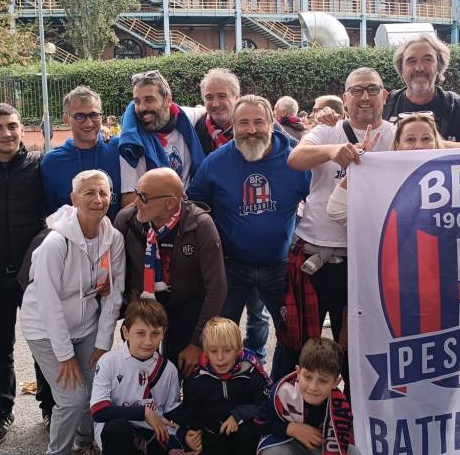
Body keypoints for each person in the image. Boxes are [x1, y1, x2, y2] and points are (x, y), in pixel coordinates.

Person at [283, 68, 396, 380]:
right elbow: (296, 158)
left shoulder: (395, 133)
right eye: (357, 90)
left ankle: (351, 408)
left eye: (372, 89)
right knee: (300, 344)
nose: (364, 97)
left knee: (356, 348)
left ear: (384, 95)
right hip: (314, 250)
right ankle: (295, 404)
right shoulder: (327, 130)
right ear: (345, 98)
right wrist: (333, 151)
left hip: (366, 256)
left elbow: (431, 149)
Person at [21, 169, 125, 455]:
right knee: (71, 397)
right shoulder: (56, 242)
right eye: (89, 193)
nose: (98, 200)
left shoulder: (113, 238)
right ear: (74, 199)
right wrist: (64, 354)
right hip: (45, 329)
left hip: (86, 327)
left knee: (95, 389)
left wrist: (102, 343)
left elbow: (114, 295)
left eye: (104, 193)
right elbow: (47, 302)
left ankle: (82, 445)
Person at [189, 95, 311, 364]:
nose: (251, 129)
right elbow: (195, 208)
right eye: (243, 123)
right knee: (220, 337)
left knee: (292, 336)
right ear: (233, 126)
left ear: (272, 124)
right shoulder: (215, 162)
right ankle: (227, 387)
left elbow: (318, 202)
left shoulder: (295, 161)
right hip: (231, 266)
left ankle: (276, 384)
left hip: (279, 266)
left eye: (258, 122)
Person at [0, 102, 54, 443]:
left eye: (12, 126)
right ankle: (2, 410)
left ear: (22, 128)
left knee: (43, 343)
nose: (6, 133)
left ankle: (50, 408)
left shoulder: (39, 165)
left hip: (32, 274)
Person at [90, 298, 201, 455]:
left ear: (163, 334)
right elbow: (98, 410)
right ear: (125, 332)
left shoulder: (167, 369)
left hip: (151, 433)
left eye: (155, 334)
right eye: (140, 333)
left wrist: (190, 432)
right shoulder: (109, 362)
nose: (148, 341)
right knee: (119, 429)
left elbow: (171, 408)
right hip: (116, 434)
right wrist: (142, 412)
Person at [192, 71, 281, 359]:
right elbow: (195, 201)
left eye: (222, 96)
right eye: (209, 97)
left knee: (262, 318)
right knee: (223, 322)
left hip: (275, 262)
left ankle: (258, 364)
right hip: (229, 259)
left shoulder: (288, 152)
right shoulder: (200, 138)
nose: (251, 129)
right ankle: (226, 373)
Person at [113, 167, 226, 377]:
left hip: (186, 305)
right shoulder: (127, 220)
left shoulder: (200, 224)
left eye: (144, 197)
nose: (136, 202)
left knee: (184, 368)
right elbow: (116, 275)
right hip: (144, 304)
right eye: (137, 193)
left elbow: (217, 287)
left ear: (171, 203)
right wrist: (128, 318)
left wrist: (197, 342)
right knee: (139, 372)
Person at [182, 317, 269, 455]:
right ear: (205, 351)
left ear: (239, 349)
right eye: (213, 351)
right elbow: (190, 412)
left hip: (244, 434)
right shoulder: (196, 377)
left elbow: (267, 404)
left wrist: (239, 415)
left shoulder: (251, 371)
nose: (220, 358)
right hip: (214, 434)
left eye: (227, 350)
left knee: (247, 432)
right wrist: (191, 433)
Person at [326, 111, 444, 224]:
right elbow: (336, 212)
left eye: (426, 138)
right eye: (410, 139)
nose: (419, 146)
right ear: (398, 145)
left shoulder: (451, 176)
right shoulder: (382, 178)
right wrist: (360, 164)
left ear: (436, 143)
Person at [117, 69, 204, 207]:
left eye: (149, 100)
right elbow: (129, 201)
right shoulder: (132, 146)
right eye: (137, 102)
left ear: (168, 100)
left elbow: (203, 110)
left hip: (192, 209)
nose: (142, 108)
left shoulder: (184, 118)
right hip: (158, 214)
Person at [42, 87, 122, 221]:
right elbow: (51, 215)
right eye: (80, 116)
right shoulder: (52, 162)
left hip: (116, 234)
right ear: (66, 118)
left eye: (94, 115)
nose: (88, 123)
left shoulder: (118, 149)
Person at [381, 34, 460, 143]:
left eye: (428, 59)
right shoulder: (386, 105)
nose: (419, 68)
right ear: (401, 69)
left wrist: (438, 145)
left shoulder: (457, 108)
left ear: (439, 67)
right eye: (411, 61)